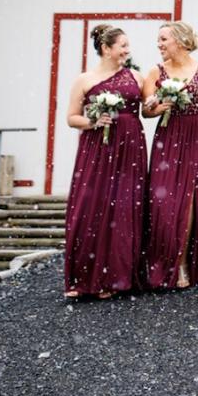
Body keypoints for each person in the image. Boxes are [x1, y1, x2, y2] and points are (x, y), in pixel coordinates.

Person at [64, 24, 146, 299]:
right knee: (91, 205)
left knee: (123, 207)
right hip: (97, 148)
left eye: (127, 45)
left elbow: (147, 108)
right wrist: (92, 121)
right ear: (106, 49)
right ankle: (84, 277)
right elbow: (71, 117)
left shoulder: (136, 76)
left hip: (130, 148)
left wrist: (165, 99)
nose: (127, 50)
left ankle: (115, 277)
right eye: (122, 45)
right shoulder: (84, 80)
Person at [141, 21, 198, 289]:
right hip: (168, 136)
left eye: (163, 39)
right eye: (158, 40)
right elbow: (146, 111)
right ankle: (162, 261)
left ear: (181, 41)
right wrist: (158, 104)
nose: (159, 44)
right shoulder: (155, 71)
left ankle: (184, 262)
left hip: (196, 135)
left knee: (192, 200)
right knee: (163, 202)